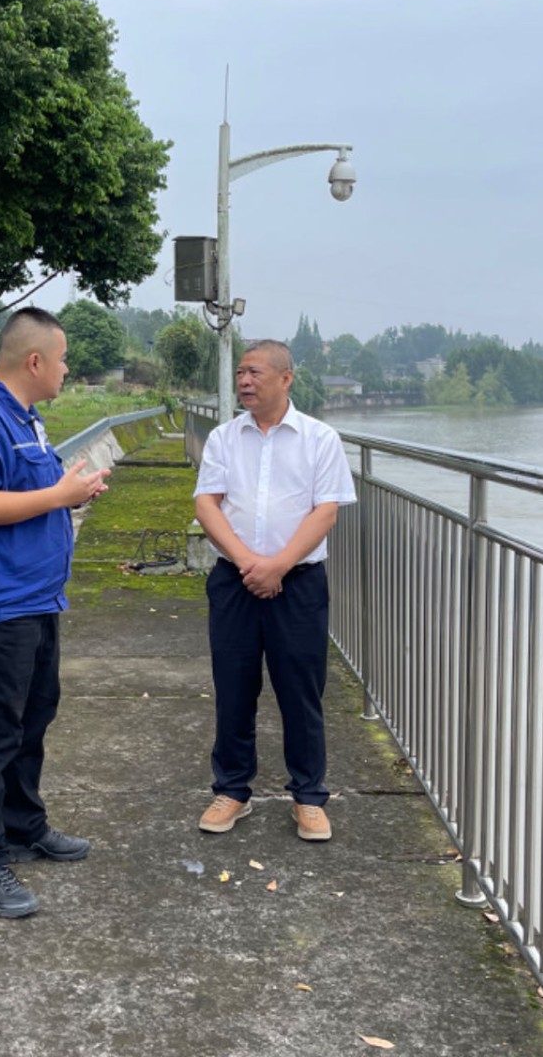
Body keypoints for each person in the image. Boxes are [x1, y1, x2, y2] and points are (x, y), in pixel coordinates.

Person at [0, 307, 111, 918]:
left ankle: (23, 825)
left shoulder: (26, 419)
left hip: (36, 599)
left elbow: (29, 496)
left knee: (32, 719)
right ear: (35, 361)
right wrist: (58, 495)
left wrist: (69, 493)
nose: (67, 369)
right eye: (62, 359)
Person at [193, 340, 356, 841]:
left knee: (301, 691)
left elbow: (325, 512)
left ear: (286, 379)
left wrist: (278, 566)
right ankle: (232, 789)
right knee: (233, 686)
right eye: (240, 372)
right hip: (235, 580)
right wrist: (250, 564)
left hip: (299, 583)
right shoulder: (224, 438)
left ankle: (308, 796)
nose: (244, 381)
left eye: (255, 372)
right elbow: (207, 503)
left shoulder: (319, 439)